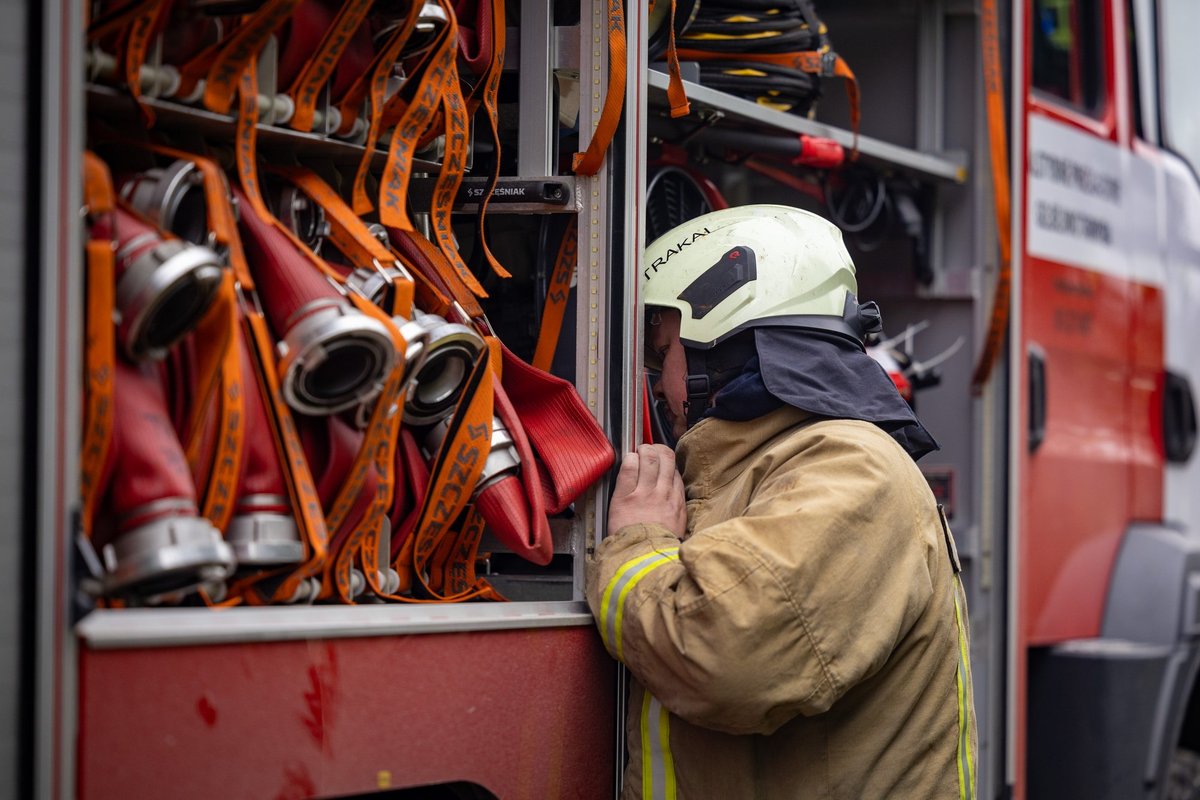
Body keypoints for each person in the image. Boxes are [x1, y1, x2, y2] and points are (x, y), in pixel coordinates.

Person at [587, 205, 977, 799]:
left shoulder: (851, 470)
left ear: (722, 344)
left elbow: (722, 657)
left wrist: (638, 546)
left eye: (664, 354)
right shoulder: (767, 470)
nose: (657, 384)